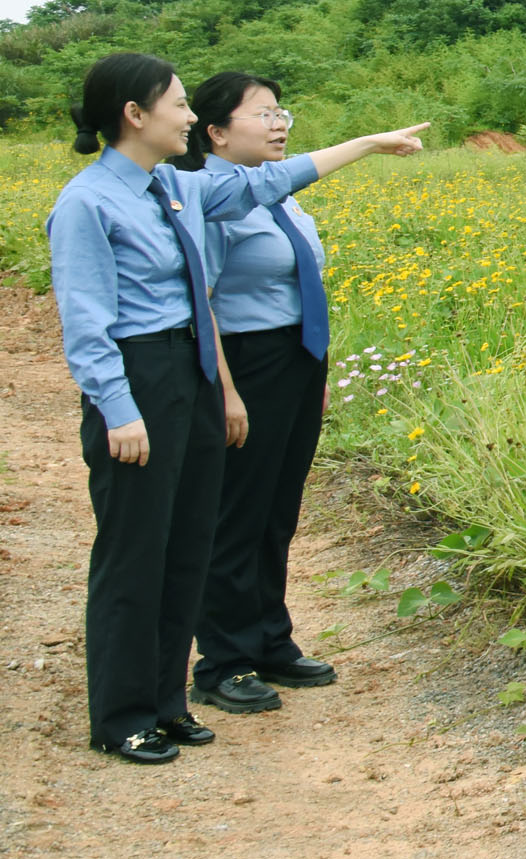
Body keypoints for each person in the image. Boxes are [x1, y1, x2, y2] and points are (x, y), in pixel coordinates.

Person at [45, 53, 426, 765]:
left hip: (187, 368)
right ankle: (122, 715)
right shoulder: (88, 202)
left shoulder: (173, 188)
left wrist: (369, 144)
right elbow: (87, 320)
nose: (191, 117)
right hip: (139, 373)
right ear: (135, 114)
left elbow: (273, 180)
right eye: (180, 104)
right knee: (135, 551)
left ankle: (167, 702)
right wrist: (118, 407)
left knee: (187, 541)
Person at [177, 72, 338, 716]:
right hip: (247, 361)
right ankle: (223, 661)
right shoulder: (209, 202)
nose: (279, 125)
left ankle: (271, 639)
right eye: (263, 114)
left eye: (282, 112)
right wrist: (228, 391)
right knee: (236, 513)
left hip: (295, 361)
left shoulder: (282, 198)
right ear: (215, 133)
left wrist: (313, 371)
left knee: (278, 508)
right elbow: (201, 301)